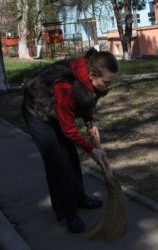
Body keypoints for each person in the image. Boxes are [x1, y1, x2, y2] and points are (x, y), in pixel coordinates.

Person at [22, 48, 118, 233]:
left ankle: (80, 197)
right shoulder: (66, 86)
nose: (108, 87)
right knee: (57, 163)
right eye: (106, 82)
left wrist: (90, 121)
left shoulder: (89, 75)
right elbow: (68, 128)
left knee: (70, 157)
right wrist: (91, 150)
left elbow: (86, 98)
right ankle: (69, 213)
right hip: (37, 112)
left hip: (56, 110)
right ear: (92, 75)